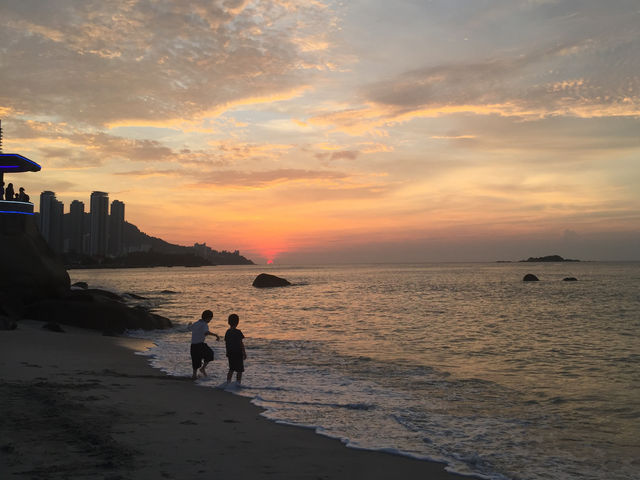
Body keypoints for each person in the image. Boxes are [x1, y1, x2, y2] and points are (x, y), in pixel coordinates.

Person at [188, 310, 220, 380]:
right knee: (210, 354)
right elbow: (206, 332)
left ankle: (194, 375)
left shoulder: (196, 323)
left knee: (195, 360)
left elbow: (189, 328)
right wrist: (216, 335)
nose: (210, 320)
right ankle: (202, 368)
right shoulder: (204, 324)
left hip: (193, 346)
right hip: (200, 345)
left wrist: (189, 324)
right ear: (208, 318)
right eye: (210, 319)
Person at [225, 313, 247, 384]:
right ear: (237, 322)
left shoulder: (227, 332)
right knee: (239, 370)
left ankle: (228, 382)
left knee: (231, 369)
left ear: (228, 322)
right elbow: (241, 343)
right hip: (238, 353)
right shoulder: (238, 332)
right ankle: (238, 383)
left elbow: (227, 343)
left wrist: (227, 352)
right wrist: (244, 353)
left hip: (230, 353)